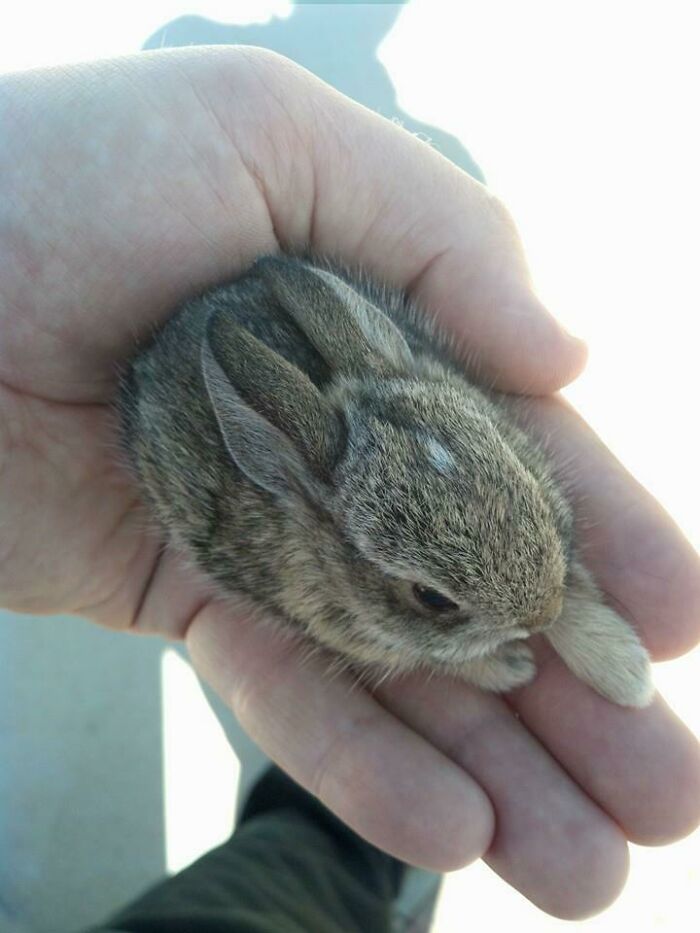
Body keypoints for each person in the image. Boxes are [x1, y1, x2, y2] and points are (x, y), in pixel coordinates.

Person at [1, 46, 699, 930]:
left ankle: (326, 847)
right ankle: (330, 848)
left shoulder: (421, 386)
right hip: (231, 421)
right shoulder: (317, 560)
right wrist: (466, 653)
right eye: (433, 598)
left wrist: (547, 595)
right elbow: (348, 617)